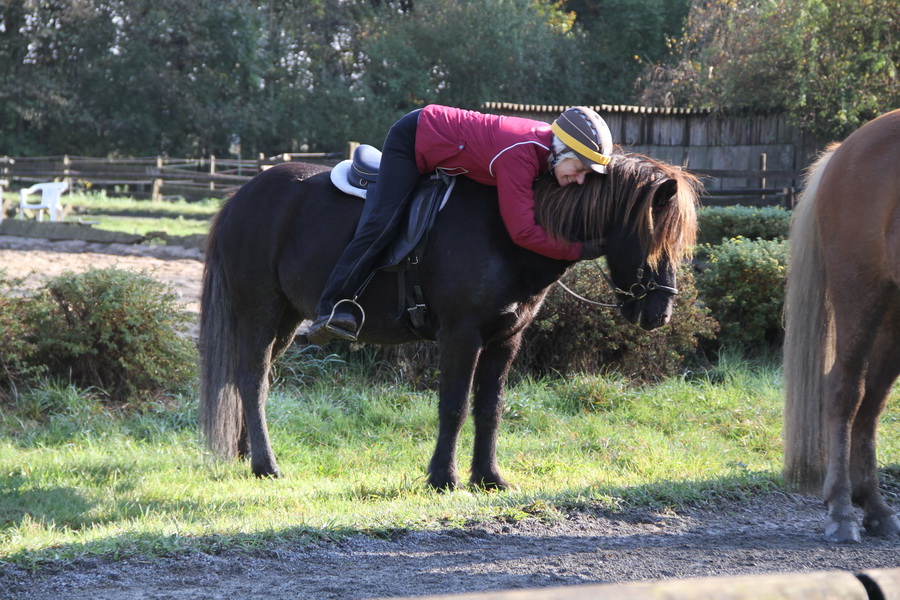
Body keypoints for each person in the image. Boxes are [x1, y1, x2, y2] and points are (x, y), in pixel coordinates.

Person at [307, 104, 613, 344]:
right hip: (412, 138)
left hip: (448, 141)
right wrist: (577, 250)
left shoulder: (548, 152)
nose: (580, 179)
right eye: (580, 168)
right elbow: (522, 232)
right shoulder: (521, 154)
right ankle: (332, 305)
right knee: (383, 223)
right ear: (562, 150)